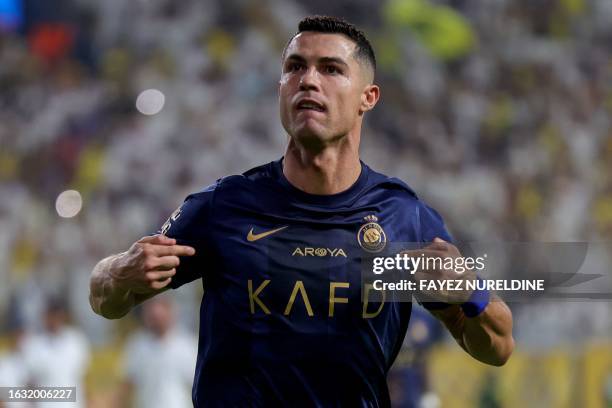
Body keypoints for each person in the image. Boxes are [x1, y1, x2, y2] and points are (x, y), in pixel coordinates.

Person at [89, 15, 514, 407]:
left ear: (368, 97)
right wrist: (119, 271)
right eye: (295, 67)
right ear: (280, 89)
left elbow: (497, 347)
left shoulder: (404, 216)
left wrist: (472, 293)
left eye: (330, 69)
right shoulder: (225, 206)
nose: (308, 80)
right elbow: (105, 299)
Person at [120, 295, 197, 408]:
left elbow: (197, 386)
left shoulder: (188, 345)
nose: (156, 313)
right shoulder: (136, 345)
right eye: (151, 309)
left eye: (162, 307)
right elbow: (128, 385)